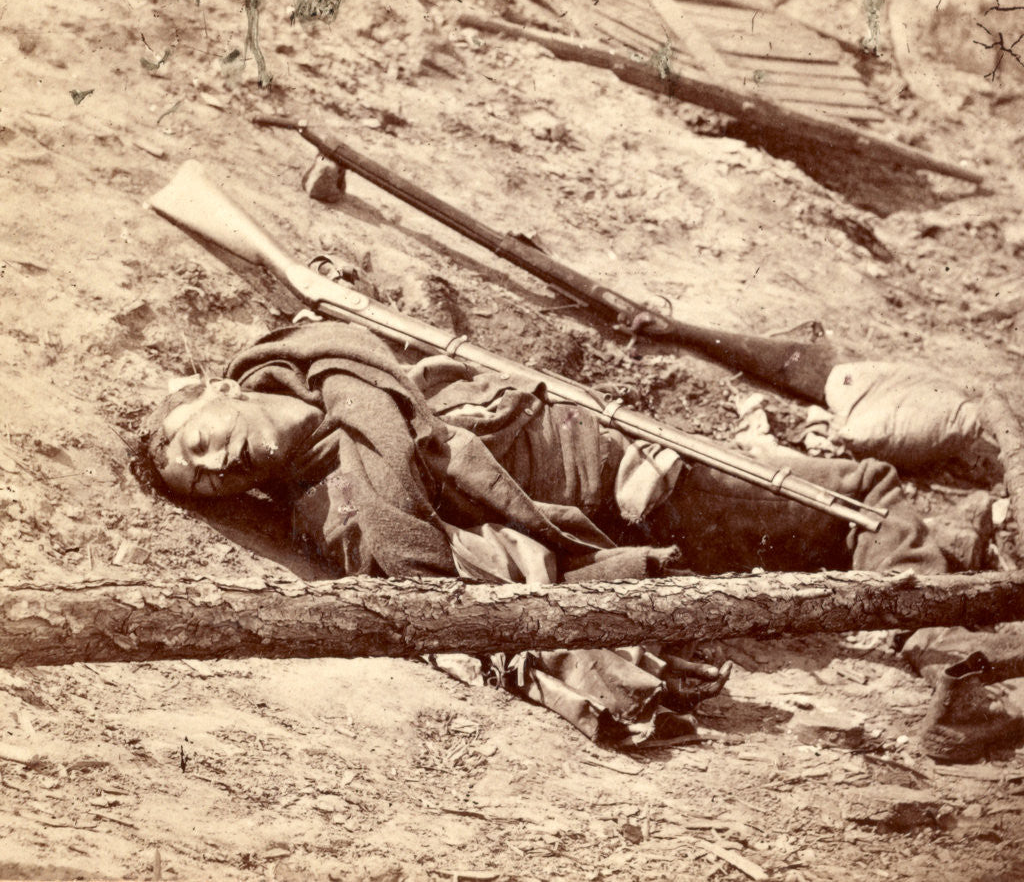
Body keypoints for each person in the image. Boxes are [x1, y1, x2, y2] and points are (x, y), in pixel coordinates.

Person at [138, 319, 1023, 759]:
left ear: (209, 385)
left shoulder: (310, 349)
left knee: (837, 505)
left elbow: (373, 383)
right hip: (628, 494)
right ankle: (962, 669)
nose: (214, 465)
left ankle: (959, 556)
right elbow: (412, 567)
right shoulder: (336, 498)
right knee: (859, 499)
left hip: (602, 432)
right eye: (203, 480)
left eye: (198, 441)